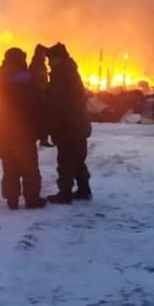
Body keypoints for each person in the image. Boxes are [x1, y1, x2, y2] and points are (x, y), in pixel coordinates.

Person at [0, 46, 46, 210]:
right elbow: (37, 103)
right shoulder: (27, 77)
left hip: (3, 132)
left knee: (9, 166)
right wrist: (39, 128)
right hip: (24, 132)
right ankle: (32, 199)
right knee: (29, 167)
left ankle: (11, 199)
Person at [45, 42, 92, 204]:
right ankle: (84, 190)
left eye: (50, 59)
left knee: (65, 161)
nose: (48, 63)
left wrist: (52, 125)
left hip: (68, 126)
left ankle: (64, 194)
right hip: (79, 123)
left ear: (57, 58)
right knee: (78, 159)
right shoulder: (71, 71)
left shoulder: (60, 75)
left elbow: (57, 104)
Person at [28, 45, 54, 147]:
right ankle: (41, 139)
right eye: (43, 53)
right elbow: (38, 80)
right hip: (39, 96)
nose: (45, 55)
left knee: (42, 119)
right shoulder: (36, 64)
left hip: (40, 95)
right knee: (41, 119)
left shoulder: (39, 64)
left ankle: (43, 138)